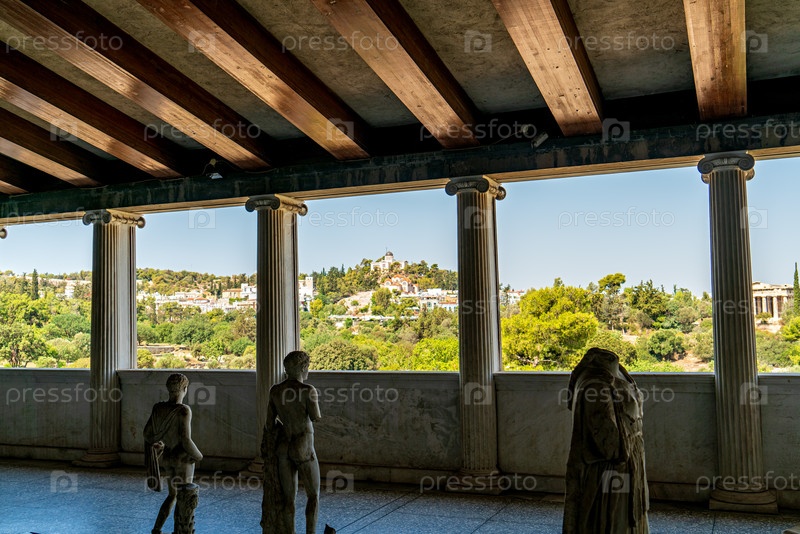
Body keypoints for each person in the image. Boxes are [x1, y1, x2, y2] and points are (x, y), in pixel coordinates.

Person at [563, 347, 649, 534]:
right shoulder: (596, 386)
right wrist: (629, 443)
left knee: (626, 517)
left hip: (628, 461)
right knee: (612, 518)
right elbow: (608, 444)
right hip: (610, 468)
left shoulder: (618, 374)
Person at [262, 350, 321, 534]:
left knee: (289, 499)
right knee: (313, 495)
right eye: (307, 366)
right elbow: (315, 416)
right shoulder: (308, 390)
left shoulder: (275, 390)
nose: (308, 370)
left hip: (283, 446)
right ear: (302, 367)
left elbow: (269, 424)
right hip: (303, 445)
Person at [144, 373, 203, 534]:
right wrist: (199, 456)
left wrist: (160, 443)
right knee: (184, 496)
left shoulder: (158, 408)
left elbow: (147, 434)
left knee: (172, 495)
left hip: (167, 457)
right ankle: (181, 531)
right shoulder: (183, 410)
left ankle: (157, 529)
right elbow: (185, 439)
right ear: (185, 388)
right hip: (182, 459)